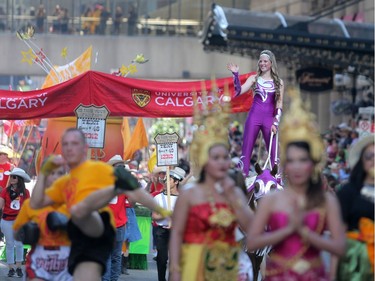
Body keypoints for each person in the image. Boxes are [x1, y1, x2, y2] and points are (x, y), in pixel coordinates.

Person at [30, 128, 170, 281]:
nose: (69, 148)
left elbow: (134, 191)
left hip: (98, 235)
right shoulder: (65, 180)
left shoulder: (103, 171)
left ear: (84, 148)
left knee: (104, 263)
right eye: (66, 144)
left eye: (74, 143)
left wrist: (162, 210)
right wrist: (43, 173)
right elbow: (37, 203)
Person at [247, 89, 346, 281]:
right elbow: (252, 242)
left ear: (313, 163)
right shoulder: (271, 200)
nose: (297, 167)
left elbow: (340, 246)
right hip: (277, 275)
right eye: (291, 161)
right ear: (285, 165)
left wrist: (307, 234)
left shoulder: (325, 201)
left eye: (303, 160)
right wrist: (285, 231)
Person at [169, 94, 253, 281]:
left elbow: (253, 230)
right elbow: (177, 234)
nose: (222, 163)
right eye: (216, 158)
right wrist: (175, 270)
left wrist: (234, 196)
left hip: (228, 267)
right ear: (206, 161)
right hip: (194, 266)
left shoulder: (234, 192)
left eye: (225, 157)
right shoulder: (189, 193)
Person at [227, 50, 284, 177]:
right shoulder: (254, 79)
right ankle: (241, 177)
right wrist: (236, 74)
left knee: (274, 152)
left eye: (265, 61)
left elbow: (279, 103)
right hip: (254, 116)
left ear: (271, 63)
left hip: (269, 119)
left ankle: (277, 179)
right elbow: (239, 91)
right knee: (246, 149)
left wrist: (276, 121)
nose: (262, 63)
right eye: (260, 61)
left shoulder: (279, 82)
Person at [13, 162, 72, 281]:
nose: (55, 176)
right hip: (38, 265)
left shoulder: (73, 203)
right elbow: (15, 234)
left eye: (59, 173)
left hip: (66, 266)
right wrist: (27, 232)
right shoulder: (30, 205)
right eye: (51, 172)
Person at [336, 134, 374, 281]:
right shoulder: (348, 192)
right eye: (369, 156)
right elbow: (338, 235)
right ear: (362, 161)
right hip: (355, 266)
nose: (373, 160)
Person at [153, 167, 185, 281]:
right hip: (162, 231)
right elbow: (155, 217)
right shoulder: (158, 197)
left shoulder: (183, 198)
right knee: (161, 259)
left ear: (176, 181)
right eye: (166, 179)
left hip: (178, 233)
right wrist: (166, 214)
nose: (166, 181)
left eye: (170, 179)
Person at [0, 167, 31, 278]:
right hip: (7, 220)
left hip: (20, 221)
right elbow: (0, 206)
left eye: (14, 177)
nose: (11, 178)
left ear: (19, 179)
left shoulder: (25, 192)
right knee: (9, 244)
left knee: (19, 244)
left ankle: (18, 267)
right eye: (11, 176)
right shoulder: (5, 191)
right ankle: (11, 268)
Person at [103, 155, 129, 281]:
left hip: (117, 226)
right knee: (112, 256)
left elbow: (131, 203)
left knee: (112, 256)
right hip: (109, 226)